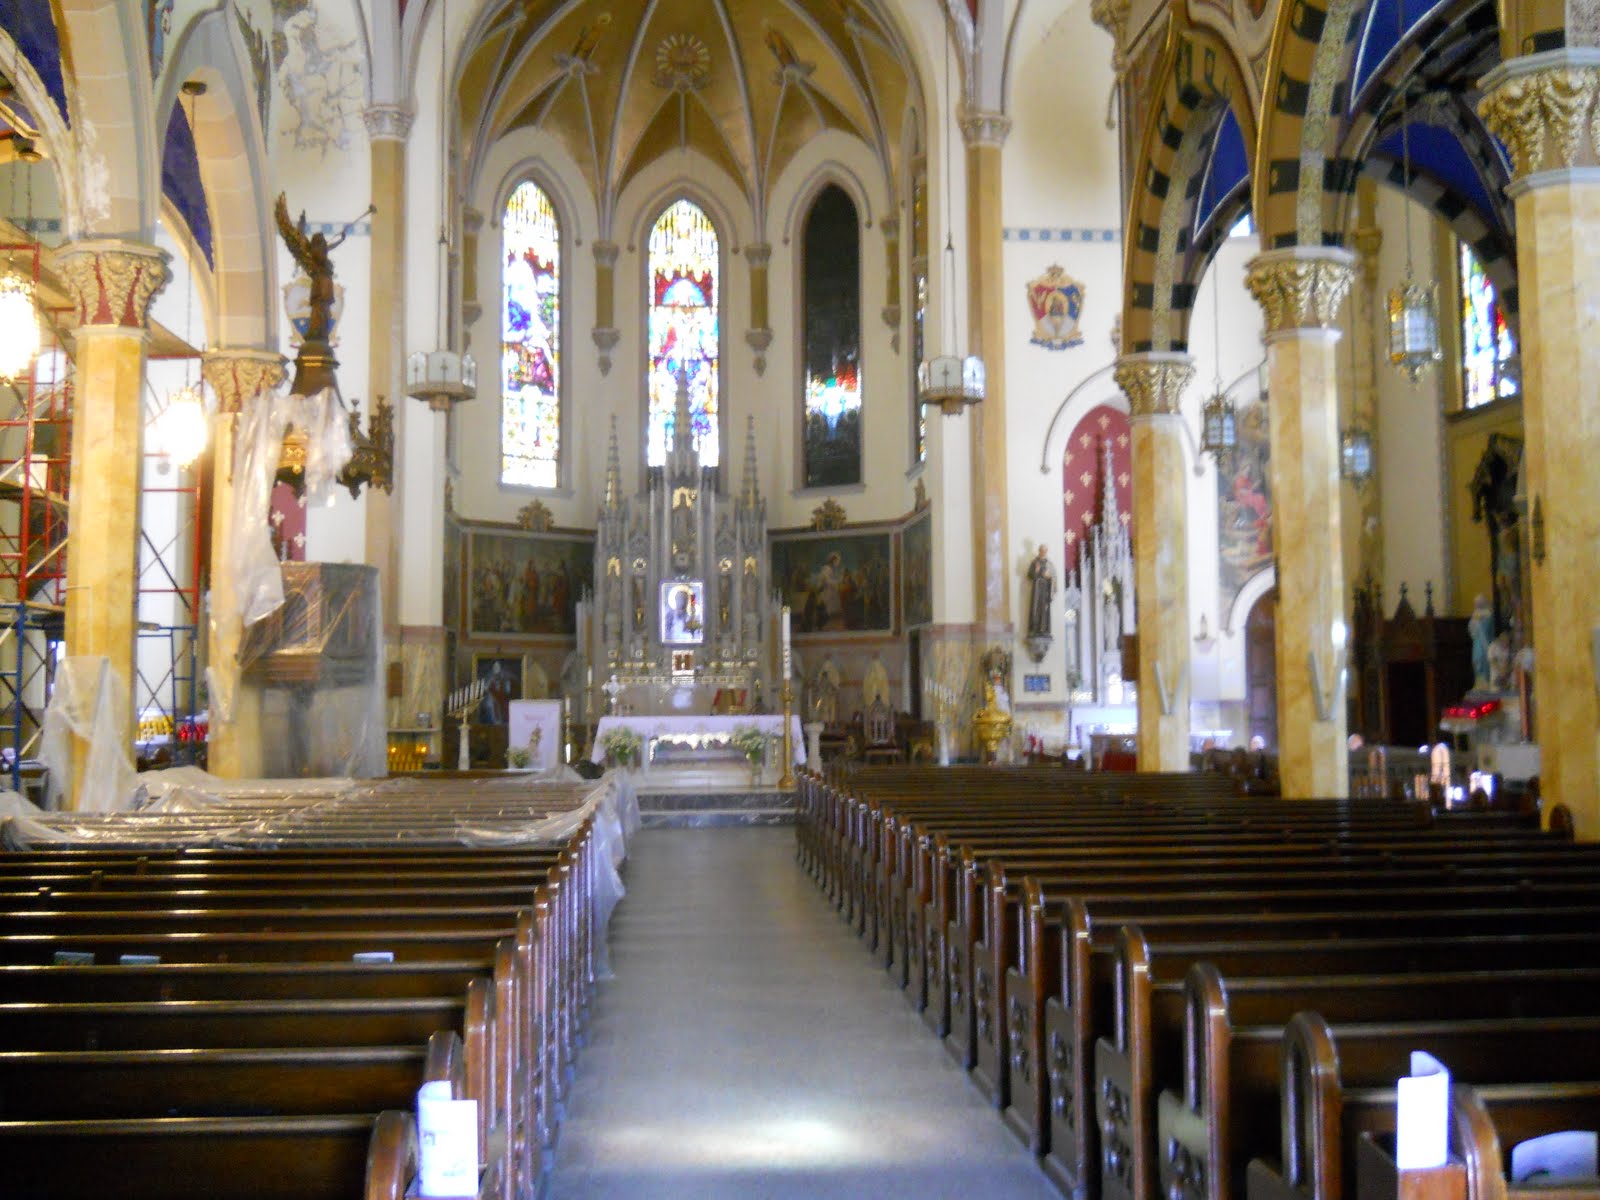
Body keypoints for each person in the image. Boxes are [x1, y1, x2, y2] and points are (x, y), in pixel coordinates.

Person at [1026, 545, 1055, 638]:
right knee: (1036, 607)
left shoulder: (1049, 564)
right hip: (1037, 589)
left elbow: (1052, 578)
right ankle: (1035, 629)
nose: (1043, 552)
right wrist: (1036, 570)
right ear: (1039, 551)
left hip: (1045, 589)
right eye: (1042, 551)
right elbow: (1030, 575)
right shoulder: (1035, 562)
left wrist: (1049, 577)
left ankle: (1044, 629)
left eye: (1045, 551)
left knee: (1045, 608)